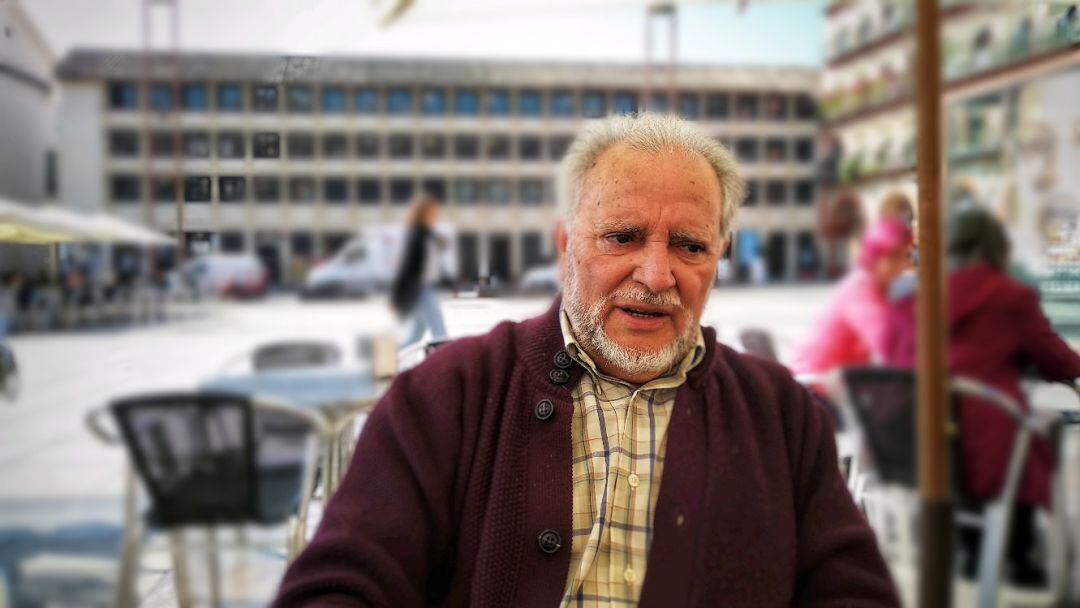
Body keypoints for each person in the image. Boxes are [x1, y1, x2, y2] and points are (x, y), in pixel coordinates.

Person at [274, 114, 898, 607]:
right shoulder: (444, 398)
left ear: (719, 257)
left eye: (690, 246)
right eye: (622, 237)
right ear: (564, 245)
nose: (656, 275)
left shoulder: (781, 413)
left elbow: (852, 591)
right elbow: (339, 586)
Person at [882, 206, 1080, 585]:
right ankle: (1018, 555)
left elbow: (896, 359)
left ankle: (977, 550)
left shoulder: (919, 297)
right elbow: (1061, 362)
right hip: (990, 449)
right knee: (1028, 433)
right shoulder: (1009, 297)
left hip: (916, 440)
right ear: (996, 247)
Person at [789, 218, 913, 376]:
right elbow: (889, 346)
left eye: (905, 256)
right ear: (874, 255)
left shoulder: (875, 286)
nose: (902, 265)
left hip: (835, 383)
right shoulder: (861, 289)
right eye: (893, 256)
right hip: (816, 385)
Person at [391, 196, 449, 349]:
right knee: (440, 332)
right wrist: (397, 296)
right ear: (423, 213)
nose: (436, 214)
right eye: (432, 212)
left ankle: (391, 359)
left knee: (417, 334)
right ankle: (446, 368)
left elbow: (434, 260)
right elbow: (407, 265)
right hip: (420, 289)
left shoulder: (426, 234)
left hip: (426, 287)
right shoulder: (417, 235)